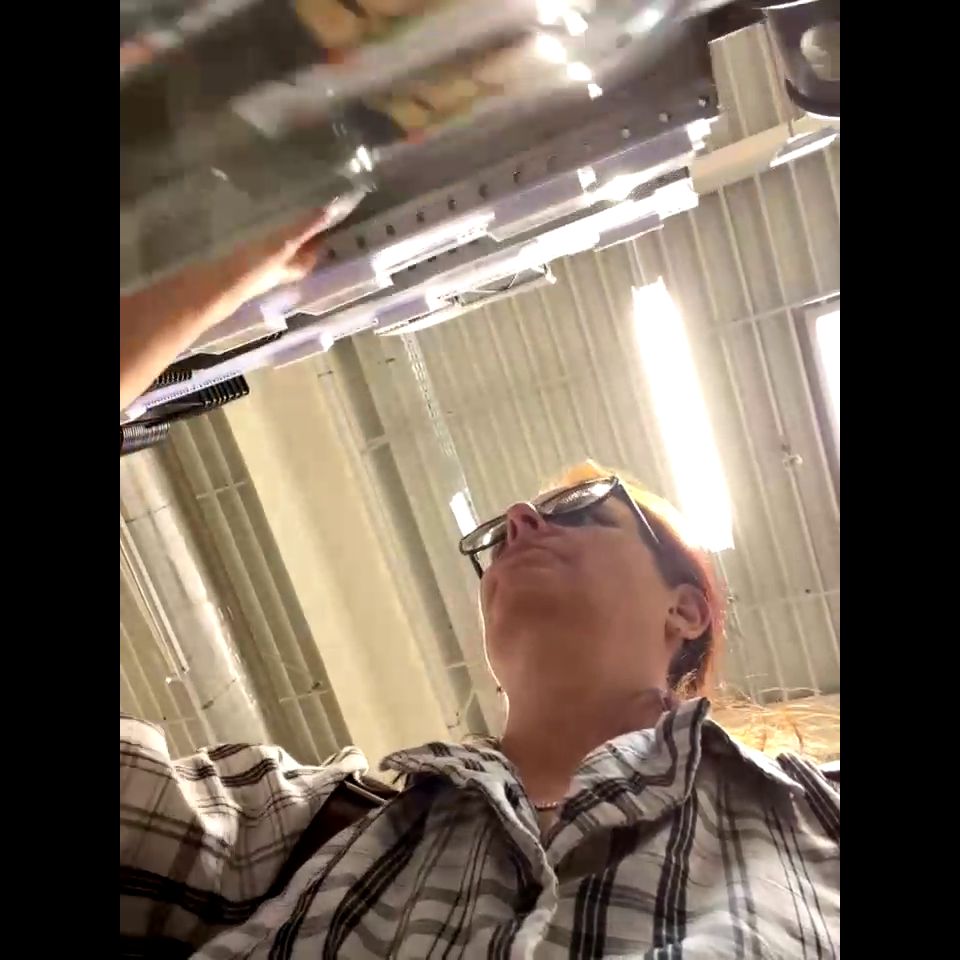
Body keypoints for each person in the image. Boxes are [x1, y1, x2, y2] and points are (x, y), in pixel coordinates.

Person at [120, 229, 839, 958]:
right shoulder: (304, 829)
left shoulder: (817, 816)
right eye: (503, 535)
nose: (519, 519)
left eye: (583, 510)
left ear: (685, 608)